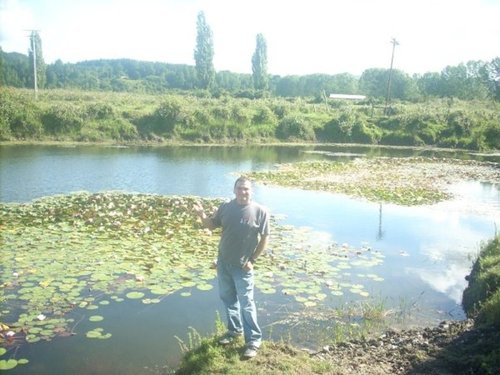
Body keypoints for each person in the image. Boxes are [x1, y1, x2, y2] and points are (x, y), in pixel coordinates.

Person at [193, 176, 270, 358]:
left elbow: (265, 238)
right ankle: (234, 331)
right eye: (240, 188)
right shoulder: (226, 208)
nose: (243, 192)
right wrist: (201, 214)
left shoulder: (260, 211)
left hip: (242, 267)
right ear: (234, 190)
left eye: (246, 189)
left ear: (251, 191)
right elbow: (211, 226)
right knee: (228, 299)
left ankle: (253, 341)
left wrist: (252, 260)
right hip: (223, 263)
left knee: (247, 303)